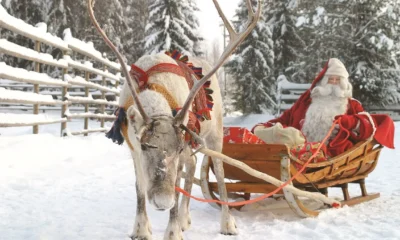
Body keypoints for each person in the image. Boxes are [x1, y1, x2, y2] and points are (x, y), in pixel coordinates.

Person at [253, 58, 395, 157]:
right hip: (298, 149)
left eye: (337, 79)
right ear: (323, 81)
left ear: (344, 83)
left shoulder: (351, 104)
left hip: (329, 153)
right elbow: (286, 118)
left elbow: (367, 126)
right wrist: (265, 127)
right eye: (330, 79)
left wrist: (348, 121)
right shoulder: (307, 101)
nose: (333, 83)